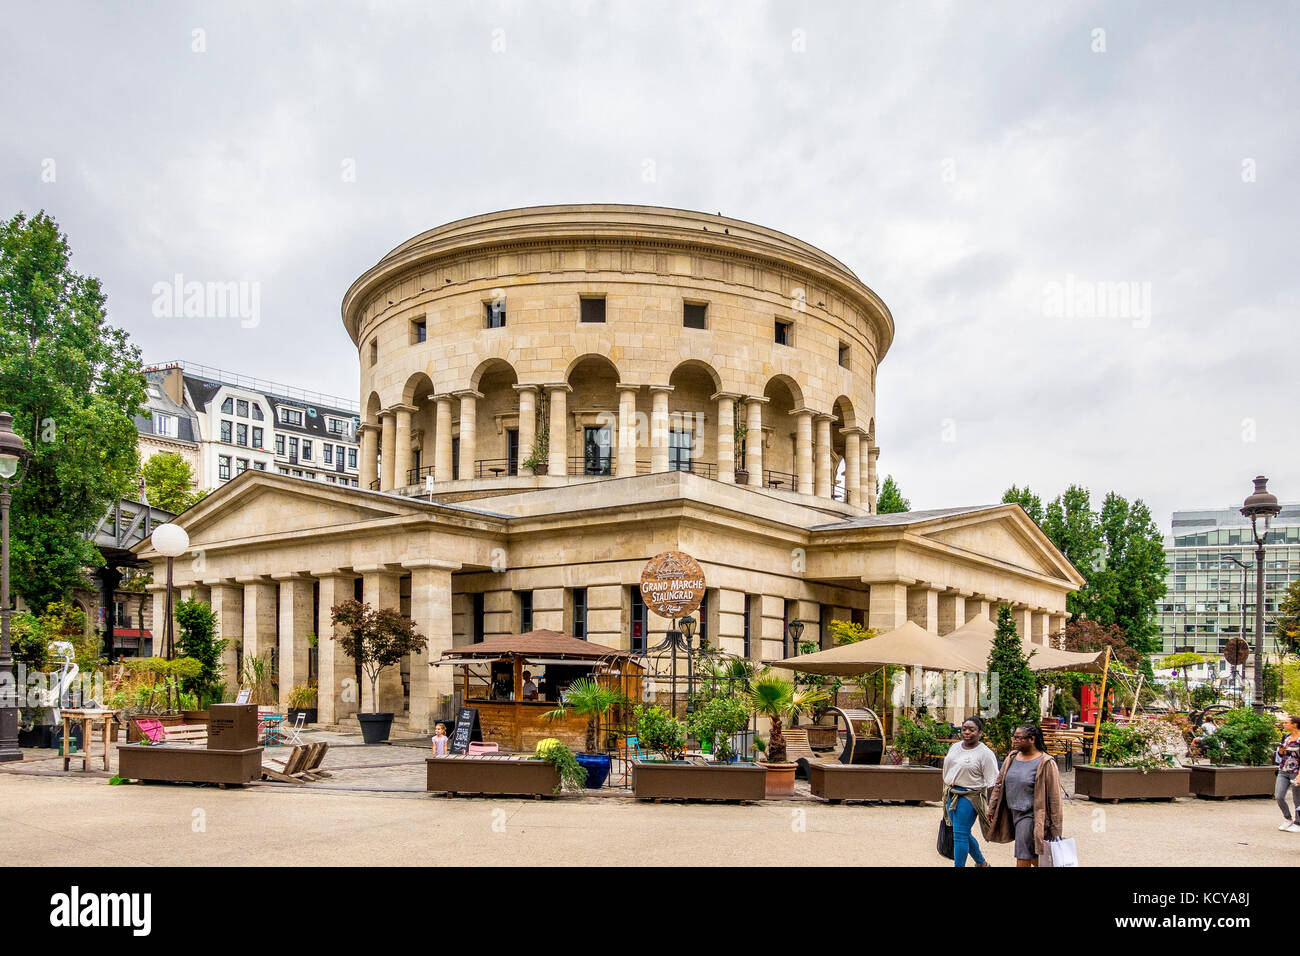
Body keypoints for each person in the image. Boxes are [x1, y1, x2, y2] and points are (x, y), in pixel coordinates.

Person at [986, 723, 1064, 867]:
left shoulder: (1046, 762)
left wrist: (1056, 828)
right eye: (1013, 737)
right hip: (1011, 813)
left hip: (1030, 816)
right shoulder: (1012, 757)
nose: (1014, 740)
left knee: (1023, 855)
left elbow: (1055, 798)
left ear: (1032, 739)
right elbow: (999, 784)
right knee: (1032, 854)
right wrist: (992, 808)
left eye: (1018, 738)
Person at [941, 716, 1000, 867]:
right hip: (951, 794)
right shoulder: (955, 747)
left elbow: (992, 782)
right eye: (964, 729)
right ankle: (982, 863)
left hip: (969, 797)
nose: (967, 732)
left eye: (971, 730)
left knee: (959, 836)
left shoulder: (985, 754)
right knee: (962, 833)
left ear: (980, 732)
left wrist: (992, 807)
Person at [1275, 715, 1300, 832]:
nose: (1284, 724)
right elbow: (1280, 755)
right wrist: (1281, 751)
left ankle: (1298, 822)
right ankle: (1288, 818)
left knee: (1297, 799)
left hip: (1296, 771)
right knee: (1279, 796)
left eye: (1286, 722)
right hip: (1283, 770)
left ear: (1294, 724)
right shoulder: (1286, 737)